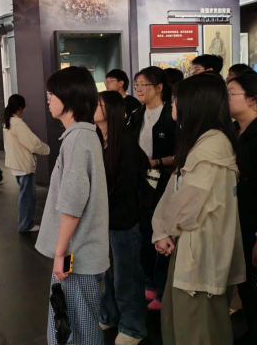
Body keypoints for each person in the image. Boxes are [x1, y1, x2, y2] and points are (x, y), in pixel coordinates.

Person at [153, 73, 245, 345]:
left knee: (197, 329)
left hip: (200, 253)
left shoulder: (212, 145)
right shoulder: (202, 141)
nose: (172, 104)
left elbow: (187, 206)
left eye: (176, 99)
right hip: (189, 247)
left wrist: (164, 228)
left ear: (195, 104)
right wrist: (161, 229)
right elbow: (175, 194)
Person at [35, 66, 109, 345]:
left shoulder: (78, 139)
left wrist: (59, 254)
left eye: (51, 94)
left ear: (68, 96)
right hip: (80, 253)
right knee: (76, 321)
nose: (48, 100)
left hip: (75, 255)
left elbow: (72, 205)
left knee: (75, 327)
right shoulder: (83, 136)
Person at [95, 91, 148, 344]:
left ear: (112, 110)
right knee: (107, 272)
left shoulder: (125, 142)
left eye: (98, 104)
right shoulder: (97, 138)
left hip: (123, 219)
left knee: (127, 275)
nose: (92, 107)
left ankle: (133, 327)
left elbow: (124, 186)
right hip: (104, 219)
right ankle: (110, 314)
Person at [227, 72, 257, 343]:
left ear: (252, 99)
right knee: (248, 289)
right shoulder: (236, 131)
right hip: (242, 223)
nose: (225, 98)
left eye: (231, 93)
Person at [128, 66, 176, 311]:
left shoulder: (171, 116)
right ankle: (148, 281)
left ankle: (160, 286)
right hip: (141, 182)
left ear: (159, 88)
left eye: (143, 84)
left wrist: (156, 162)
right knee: (143, 231)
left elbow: (181, 153)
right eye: (136, 84)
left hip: (164, 182)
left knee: (161, 232)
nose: (138, 89)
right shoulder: (136, 115)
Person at [4, 94, 50, 233]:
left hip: (16, 163)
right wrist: (47, 149)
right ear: (20, 107)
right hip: (23, 165)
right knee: (27, 197)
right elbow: (33, 143)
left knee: (25, 195)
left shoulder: (9, 122)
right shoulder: (18, 124)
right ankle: (25, 225)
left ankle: (25, 223)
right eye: (25, 104)